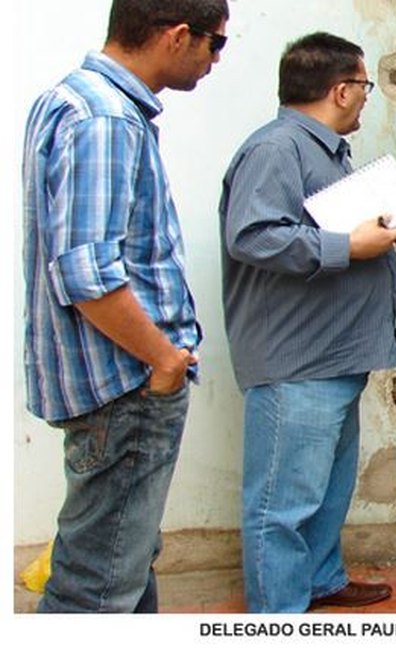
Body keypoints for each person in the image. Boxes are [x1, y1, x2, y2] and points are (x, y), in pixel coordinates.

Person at [21, 0, 229, 613]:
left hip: (118, 385)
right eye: (215, 44)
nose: (216, 61)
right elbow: (87, 272)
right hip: (128, 387)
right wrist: (163, 361)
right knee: (97, 586)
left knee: (122, 563)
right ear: (178, 35)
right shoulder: (105, 117)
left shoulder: (78, 100)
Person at [219, 32, 396, 613]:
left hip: (334, 354)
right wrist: (349, 245)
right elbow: (252, 235)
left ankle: (321, 580)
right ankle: (279, 614)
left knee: (325, 489)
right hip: (298, 362)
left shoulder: (323, 151)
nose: (367, 98)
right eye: (366, 86)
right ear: (342, 89)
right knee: (283, 503)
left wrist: (365, 235)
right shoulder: (277, 149)